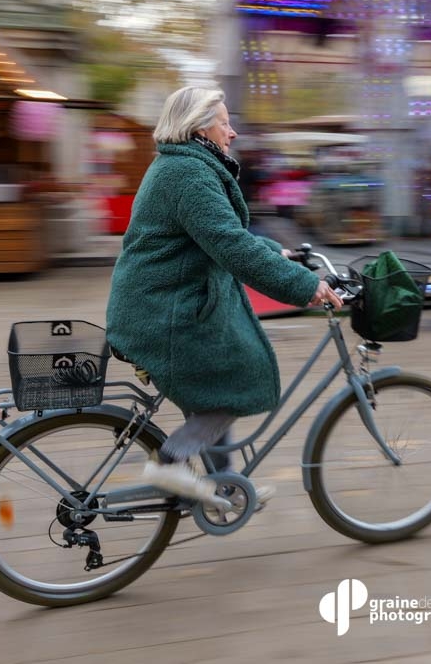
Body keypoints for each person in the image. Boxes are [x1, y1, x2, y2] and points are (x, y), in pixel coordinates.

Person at [106, 86, 343, 503]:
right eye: (224, 123)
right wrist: (306, 286)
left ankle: (224, 489)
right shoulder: (188, 175)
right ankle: (171, 462)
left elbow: (220, 238)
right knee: (239, 376)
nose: (232, 132)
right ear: (199, 128)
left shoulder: (180, 166)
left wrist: (278, 252)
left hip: (163, 306)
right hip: (164, 316)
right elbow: (230, 246)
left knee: (219, 382)